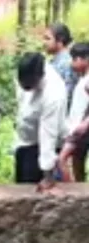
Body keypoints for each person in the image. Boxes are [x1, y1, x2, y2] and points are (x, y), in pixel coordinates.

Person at [14, 52, 68, 191]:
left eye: (28, 85)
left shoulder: (53, 94)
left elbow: (48, 135)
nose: (23, 86)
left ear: (39, 77)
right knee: (21, 187)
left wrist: (47, 174)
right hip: (25, 142)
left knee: (34, 190)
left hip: (42, 146)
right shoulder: (25, 73)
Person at [58, 42, 89, 182]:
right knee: (77, 163)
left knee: (62, 159)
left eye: (75, 59)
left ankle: (72, 191)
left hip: (80, 129)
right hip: (76, 127)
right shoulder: (83, 78)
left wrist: (85, 123)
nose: (72, 63)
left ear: (86, 59)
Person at [44, 23, 77, 106]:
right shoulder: (54, 61)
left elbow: (68, 94)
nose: (44, 42)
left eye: (48, 39)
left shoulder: (67, 63)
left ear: (60, 40)